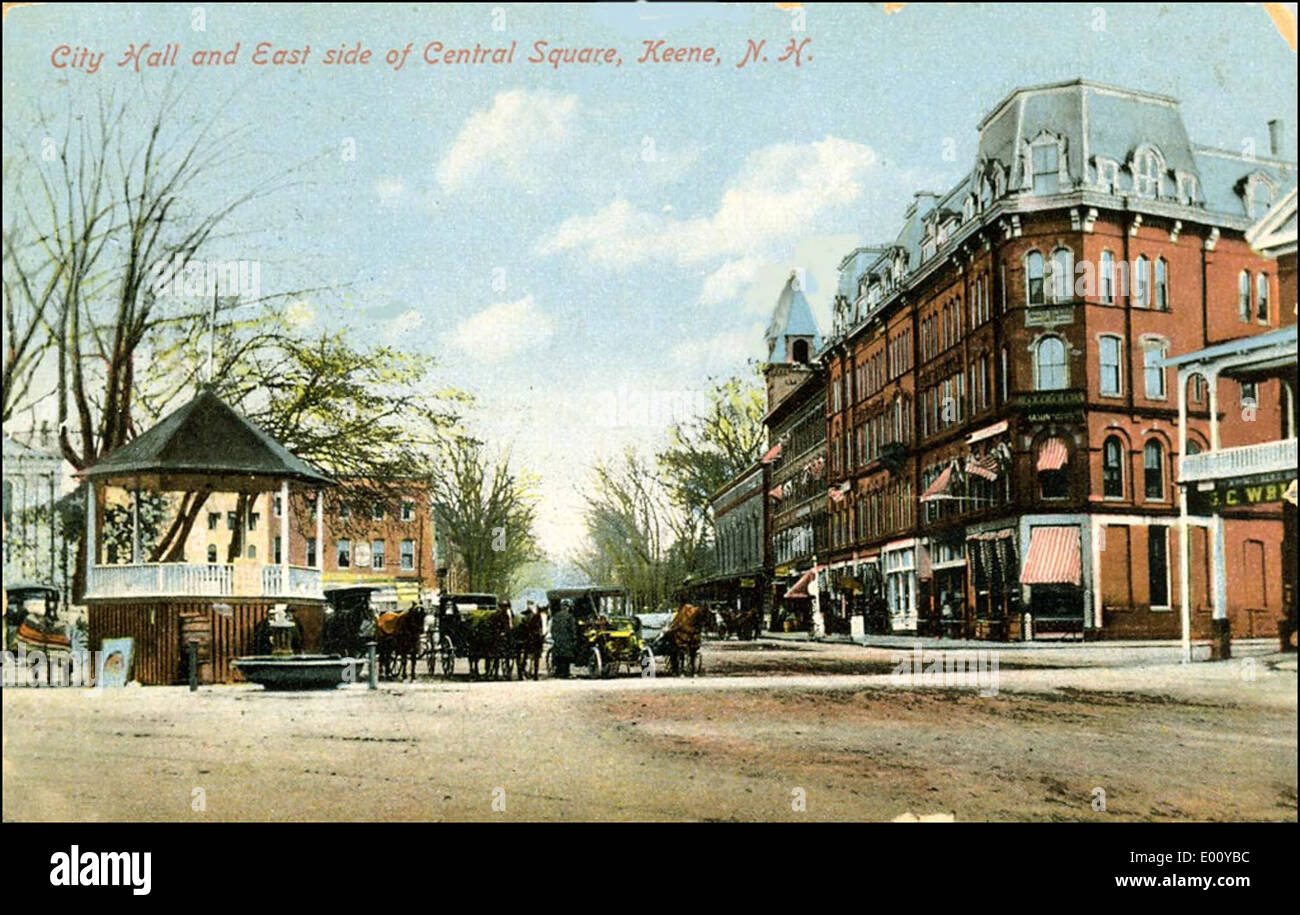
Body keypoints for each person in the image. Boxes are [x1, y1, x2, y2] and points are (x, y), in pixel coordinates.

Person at [550, 600, 577, 679]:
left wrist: (554, 637)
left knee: (558, 656)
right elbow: (572, 629)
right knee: (566, 658)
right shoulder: (570, 616)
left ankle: (558, 673)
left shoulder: (556, 616)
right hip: (567, 639)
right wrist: (574, 638)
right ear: (568, 607)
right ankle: (566, 673)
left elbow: (552, 629)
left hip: (558, 639)